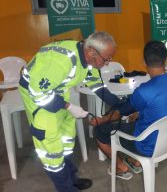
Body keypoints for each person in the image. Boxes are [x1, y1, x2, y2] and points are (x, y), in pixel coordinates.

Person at [19, 31, 121, 192]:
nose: (108, 63)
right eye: (106, 59)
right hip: (39, 98)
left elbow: (96, 84)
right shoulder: (61, 61)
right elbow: (38, 92)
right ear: (91, 52)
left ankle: (72, 179)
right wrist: (69, 106)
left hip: (59, 92)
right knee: (51, 150)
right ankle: (66, 188)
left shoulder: (89, 59)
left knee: (66, 138)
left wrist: (118, 103)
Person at [90, 40, 167, 180]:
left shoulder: (144, 91)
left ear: (144, 62)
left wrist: (101, 120)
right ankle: (136, 162)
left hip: (146, 146)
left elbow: (120, 112)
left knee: (99, 131)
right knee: (137, 117)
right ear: (165, 61)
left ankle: (121, 167)